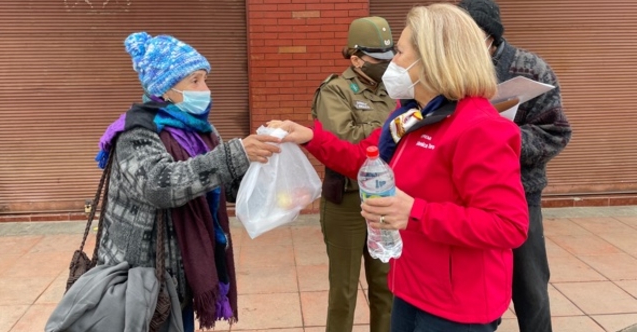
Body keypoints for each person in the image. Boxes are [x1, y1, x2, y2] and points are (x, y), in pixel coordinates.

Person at [269, 3, 529, 331]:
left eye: (401, 51)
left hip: (456, 303)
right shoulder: (413, 116)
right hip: (411, 284)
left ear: (432, 59)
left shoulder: (478, 127)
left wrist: (416, 212)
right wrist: (311, 137)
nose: (392, 61)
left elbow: (508, 225)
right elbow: (368, 160)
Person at [93, 32, 281, 331]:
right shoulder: (136, 132)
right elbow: (160, 185)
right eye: (195, 81)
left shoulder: (201, 130)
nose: (205, 89)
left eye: (205, 79)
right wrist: (235, 154)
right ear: (165, 89)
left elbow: (223, 185)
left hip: (181, 271)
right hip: (143, 276)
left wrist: (262, 163)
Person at [457, 1, 572, 331]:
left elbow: (556, 132)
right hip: (465, 196)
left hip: (520, 194)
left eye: (469, 34)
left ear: (489, 35)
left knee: (530, 288)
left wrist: (501, 139)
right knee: (474, 288)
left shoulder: (530, 68)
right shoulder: (449, 70)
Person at [311, 16, 396, 332]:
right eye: (378, 59)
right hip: (345, 202)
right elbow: (342, 140)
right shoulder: (334, 91)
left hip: (384, 200)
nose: (386, 65)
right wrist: (388, 129)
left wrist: (372, 131)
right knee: (344, 291)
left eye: (390, 58)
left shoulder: (393, 90)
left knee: (386, 288)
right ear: (356, 57)